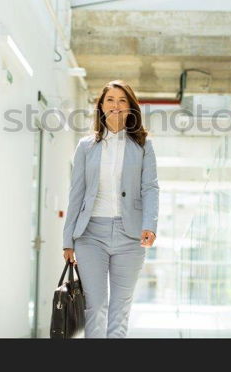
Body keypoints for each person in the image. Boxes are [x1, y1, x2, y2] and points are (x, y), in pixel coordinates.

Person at [62, 80, 159, 338]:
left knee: (120, 308)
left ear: (130, 107)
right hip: (91, 234)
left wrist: (150, 224)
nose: (116, 105)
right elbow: (76, 194)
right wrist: (67, 240)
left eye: (122, 100)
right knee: (95, 306)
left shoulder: (143, 145)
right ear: (101, 107)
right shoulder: (85, 146)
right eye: (110, 100)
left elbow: (150, 187)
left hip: (131, 236)